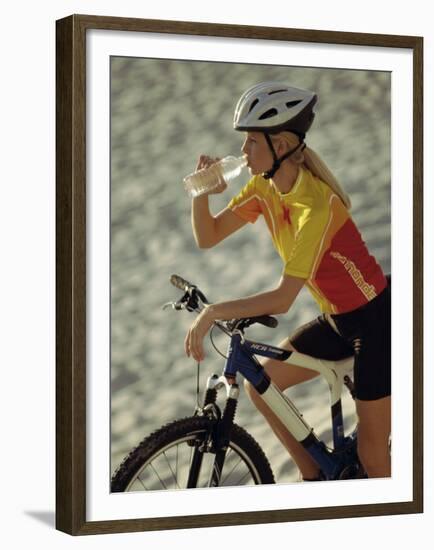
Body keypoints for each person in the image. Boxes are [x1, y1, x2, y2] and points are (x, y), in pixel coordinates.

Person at [184, 81, 391, 480]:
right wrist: (201, 192)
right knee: (263, 385)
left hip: (375, 322)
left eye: (251, 143)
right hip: (336, 321)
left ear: (279, 146)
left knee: (375, 462)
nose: (243, 152)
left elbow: (282, 299)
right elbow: (207, 237)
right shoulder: (264, 187)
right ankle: (313, 476)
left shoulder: (316, 206)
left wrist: (213, 312)